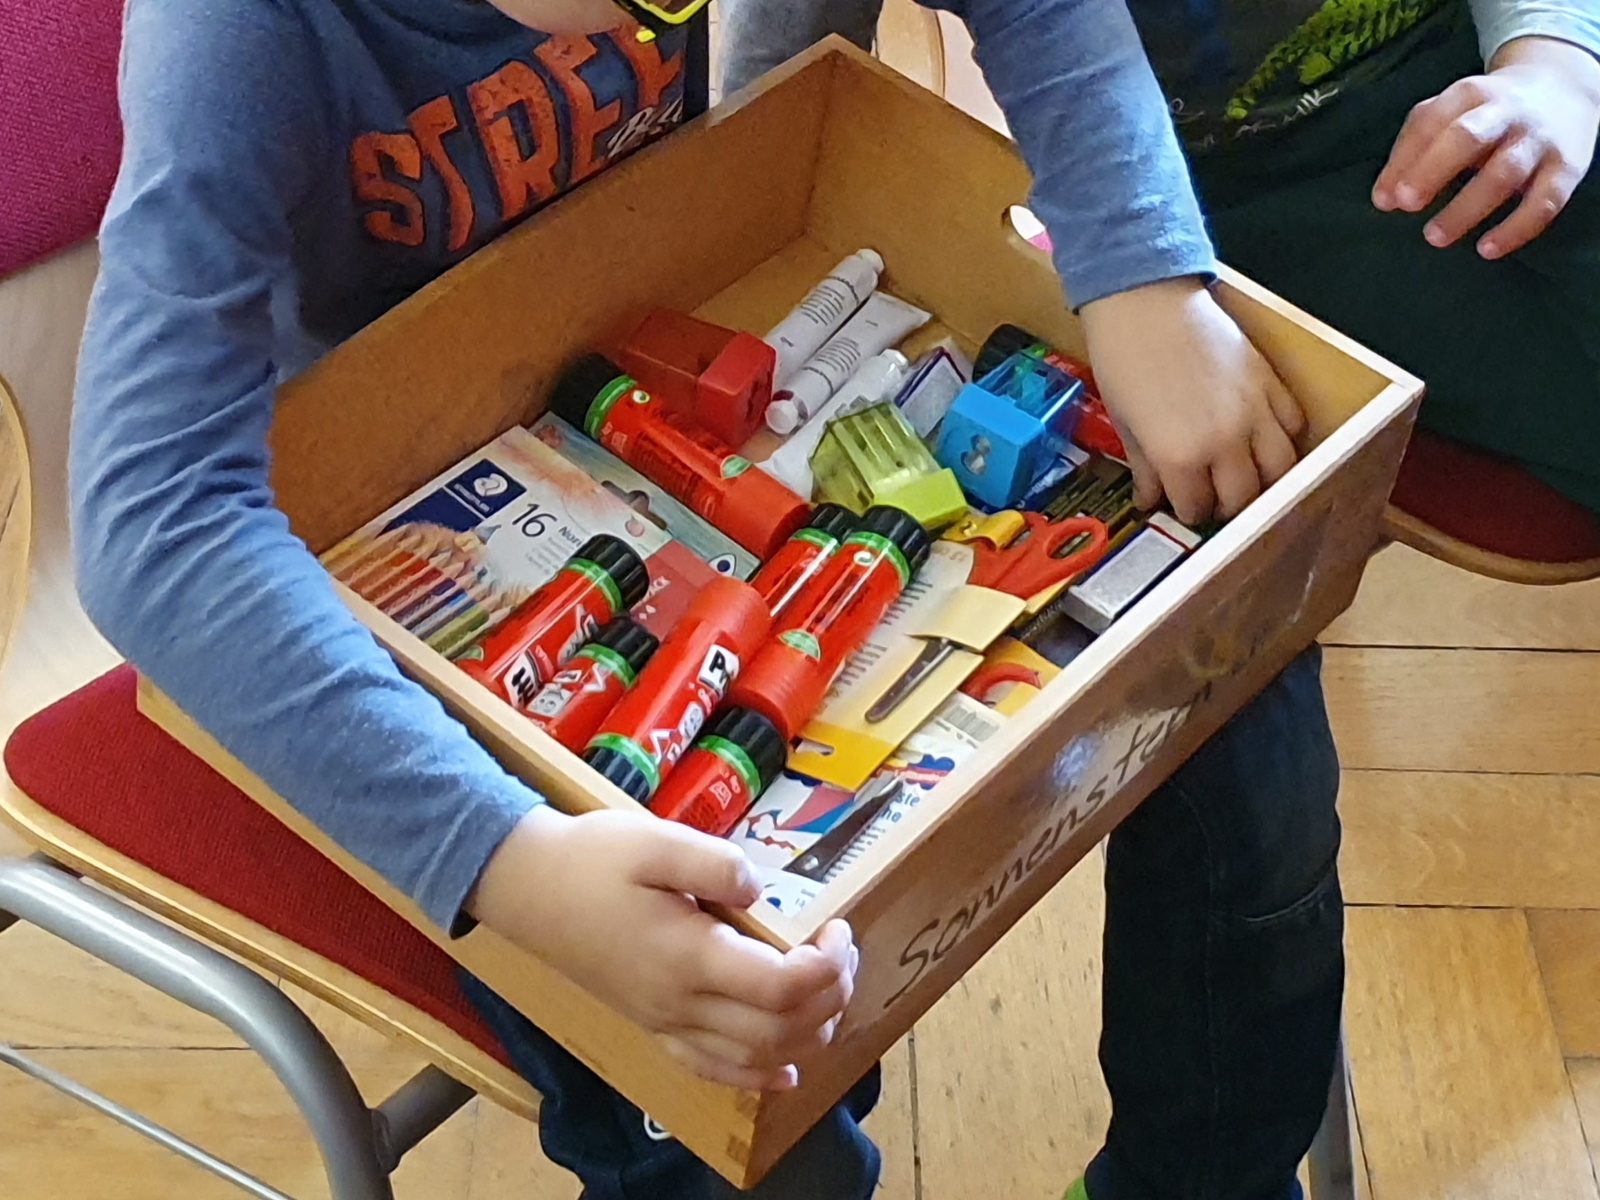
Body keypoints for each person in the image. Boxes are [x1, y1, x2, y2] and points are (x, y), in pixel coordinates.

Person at [70, 0, 1325, 1195]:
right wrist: (513, 866)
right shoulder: (232, 36)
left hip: (643, 382)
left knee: (1239, 685)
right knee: (740, 1111)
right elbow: (152, 522)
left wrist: (1140, 271)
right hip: (384, 631)